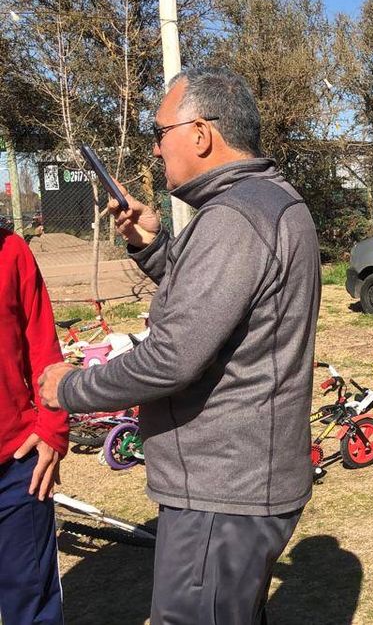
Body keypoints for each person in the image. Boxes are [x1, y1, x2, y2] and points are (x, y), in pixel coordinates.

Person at [37, 66, 321, 625]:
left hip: (223, 492)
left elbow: (174, 357)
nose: (156, 146)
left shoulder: (234, 218)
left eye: (160, 130)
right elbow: (219, 303)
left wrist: (69, 387)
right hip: (241, 485)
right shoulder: (266, 202)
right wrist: (155, 245)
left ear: (199, 134)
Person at [0, 228, 68, 625]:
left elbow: (43, 348)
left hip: (16, 466)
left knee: (32, 600)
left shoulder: (12, 250)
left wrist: (52, 429)